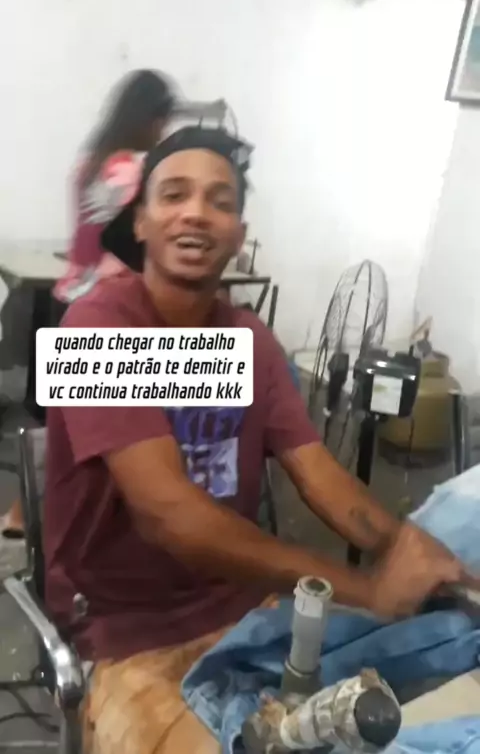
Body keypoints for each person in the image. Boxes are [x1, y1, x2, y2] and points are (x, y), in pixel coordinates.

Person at [44, 126, 474, 754]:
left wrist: (409, 547)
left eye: (220, 201)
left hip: (248, 614)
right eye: (174, 194)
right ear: (140, 222)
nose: (196, 212)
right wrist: (364, 589)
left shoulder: (250, 341)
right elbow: (170, 517)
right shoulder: (92, 325)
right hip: (128, 639)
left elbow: (318, 473)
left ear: (239, 235)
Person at [0, 69, 175, 540]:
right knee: (119, 427)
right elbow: (145, 244)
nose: (164, 131)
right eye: (163, 122)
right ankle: (97, 525)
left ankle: (21, 514)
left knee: (64, 423)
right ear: (152, 119)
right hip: (114, 310)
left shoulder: (88, 164)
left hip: (69, 300)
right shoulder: (139, 170)